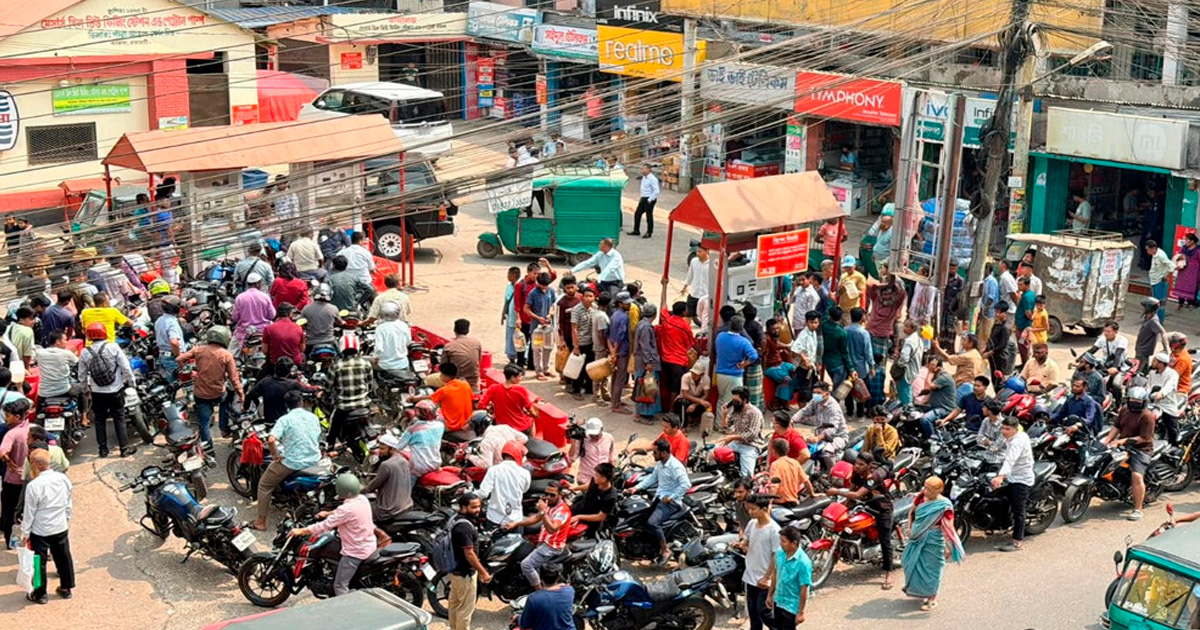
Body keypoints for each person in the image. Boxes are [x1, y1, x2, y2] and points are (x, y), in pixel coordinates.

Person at [288, 474, 380, 596]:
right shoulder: (362, 499)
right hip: (369, 545)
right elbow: (344, 512)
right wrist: (329, 513)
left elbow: (323, 526)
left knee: (340, 585)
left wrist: (301, 531)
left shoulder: (346, 509)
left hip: (355, 552)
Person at [252, 390, 322, 530]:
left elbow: (271, 440)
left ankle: (260, 522)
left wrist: (275, 456)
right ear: (301, 402)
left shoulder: (285, 419)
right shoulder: (312, 416)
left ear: (286, 405)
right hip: (315, 458)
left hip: (293, 462)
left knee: (265, 485)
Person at [827, 452, 895, 589]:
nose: (857, 466)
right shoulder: (856, 473)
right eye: (856, 463)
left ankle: (888, 573)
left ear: (870, 466)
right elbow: (852, 491)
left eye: (861, 464)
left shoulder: (873, 477)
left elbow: (857, 494)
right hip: (866, 505)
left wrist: (837, 491)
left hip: (882, 509)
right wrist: (844, 507)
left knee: (885, 541)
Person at [901, 476, 965, 611]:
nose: (926, 491)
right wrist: (909, 527)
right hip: (917, 537)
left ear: (939, 490)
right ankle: (920, 591)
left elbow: (948, 527)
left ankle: (932, 598)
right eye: (925, 487)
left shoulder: (944, 505)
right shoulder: (921, 497)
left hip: (934, 539)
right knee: (911, 563)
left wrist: (948, 547)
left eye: (929, 489)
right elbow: (912, 512)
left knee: (932, 570)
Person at [21, 449, 75, 605]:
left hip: (40, 530)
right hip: (60, 526)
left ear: (38, 464)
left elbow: (29, 511)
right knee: (63, 556)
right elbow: (68, 502)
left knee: (38, 562)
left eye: (31, 462)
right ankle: (66, 588)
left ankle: (40, 594)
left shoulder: (34, 485)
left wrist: (25, 532)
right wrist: (66, 518)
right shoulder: (63, 479)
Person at [627, 438, 690, 565]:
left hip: (671, 503)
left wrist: (672, 496)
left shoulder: (675, 466)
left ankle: (665, 550)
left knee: (652, 523)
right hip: (659, 498)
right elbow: (651, 479)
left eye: (655, 452)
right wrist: (635, 488)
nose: (653, 455)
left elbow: (686, 484)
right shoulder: (660, 464)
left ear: (664, 453)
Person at [178, 327, 243, 447]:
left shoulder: (198, 350)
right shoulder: (226, 355)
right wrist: (242, 396)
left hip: (200, 394)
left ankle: (208, 450)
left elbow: (179, 359)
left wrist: (190, 372)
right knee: (227, 399)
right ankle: (223, 427)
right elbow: (234, 379)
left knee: (204, 423)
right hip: (218, 393)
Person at [77, 326, 137, 457]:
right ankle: (124, 449)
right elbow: (125, 366)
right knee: (119, 418)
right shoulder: (113, 347)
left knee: (100, 419)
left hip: (97, 391)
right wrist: (132, 382)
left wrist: (85, 389)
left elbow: (81, 374)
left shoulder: (85, 352)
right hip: (116, 389)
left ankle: (103, 450)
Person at [508, 482, 571, 589]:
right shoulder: (549, 506)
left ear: (560, 495)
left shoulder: (562, 511)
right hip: (543, 542)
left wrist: (543, 512)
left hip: (552, 547)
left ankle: (540, 592)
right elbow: (536, 518)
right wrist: (516, 524)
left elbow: (552, 528)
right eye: (546, 494)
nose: (548, 497)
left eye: (552, 495)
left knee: (526, 565)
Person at [448, 494, 491, 630]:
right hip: (465, 574)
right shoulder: (465, 527)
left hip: (455, 572)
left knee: (454, 605)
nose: (477, 509)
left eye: (479, 506)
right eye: (474, 507)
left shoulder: (455, 520)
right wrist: (483, 573)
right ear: (463, 508)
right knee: (465, 611)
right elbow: (469, 554)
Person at [992, 416, 1035, 550]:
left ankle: (1017, 542)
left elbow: (1010, 460)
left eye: (1008, 429)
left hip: (1021, 479)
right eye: (1003, 428)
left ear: (1015, 429)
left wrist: (1000, 477)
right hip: (1011, 475)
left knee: (1019, 510)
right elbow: (998, 447)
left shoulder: (1018, 442)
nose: (1004, 431)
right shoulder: (1013, 436)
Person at [740, 494, 780, 630]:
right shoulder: (752, 524)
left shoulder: (774, 530)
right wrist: (743, 544)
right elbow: (746, 539)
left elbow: (776, 556)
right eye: (748, 509)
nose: (750, 512)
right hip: (750, 576)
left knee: (764, 611)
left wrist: (766, 577)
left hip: (765, 580)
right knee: (753, 613)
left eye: (753, 509)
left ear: (764, 509)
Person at [327, 334, 373, 450]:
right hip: (364, 403)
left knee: (333, 424)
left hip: (344, 406)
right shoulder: (365, 363)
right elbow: (370, 384)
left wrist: (325, 392)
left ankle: (330, 445)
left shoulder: (336, 366)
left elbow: (328, 387)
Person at [793, 381, 848, 472]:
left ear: (826, 394)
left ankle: (832, 474)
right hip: (820, 437)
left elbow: (832, 428)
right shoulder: (815, 401)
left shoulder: (834, 408)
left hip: (837, 437)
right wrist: (792, 420)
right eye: (814, 392)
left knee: (826, 452)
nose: (815, 395)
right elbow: (805, 411)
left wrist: (818, 438)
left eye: (818, 393)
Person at [765, 526, 812, 629]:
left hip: (791, 607)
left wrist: (801, 612)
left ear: (794, 543)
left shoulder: (803, 563)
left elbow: (804, 589)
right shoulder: (780, 553)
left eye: (784, 541)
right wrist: (770, 594)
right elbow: (776, 574)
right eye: (780, 540)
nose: (781, 544)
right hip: (779, 601)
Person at [0, 398, 33, 544]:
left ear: (17, 417)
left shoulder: (11, 434)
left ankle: (10, 540)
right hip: (30, 479)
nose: (6, 418)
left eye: (8, 415)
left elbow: (3, 452)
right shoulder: (33, 429)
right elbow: (50, 442)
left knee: (9, 511)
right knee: (29, 511)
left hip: (12, 480)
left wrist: (8, 460)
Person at [479, 443, 532, 529]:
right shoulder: (525, 473)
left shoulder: (494, 470)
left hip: (495, 519)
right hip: (516, 521)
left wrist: (470, 494)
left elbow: (483, 493)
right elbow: (524, 490)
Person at [715, 316, 759, 415]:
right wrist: (744, 364)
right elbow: (754, 355)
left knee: (721, 399)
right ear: (742, 328)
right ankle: (725, 426)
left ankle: (719, 423)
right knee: (731, 402)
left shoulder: (720, 336)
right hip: (734, 375)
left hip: (720, 374)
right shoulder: (743, 341)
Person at [657, 302, 695, 413]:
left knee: (668, 385)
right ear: (683, 311)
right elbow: (690, 344)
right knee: (676, 387)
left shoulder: (666, 320)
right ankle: (672, 410)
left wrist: (664, 286)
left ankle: (667, 408)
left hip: (665, 359)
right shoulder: (684, 326)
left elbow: (663, 307)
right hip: (679, 361)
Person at [719, 387, 765, 479]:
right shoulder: (736, 410)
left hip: (750, 445)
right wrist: (724, 414)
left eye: (736, 400)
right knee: (714, 454)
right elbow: (725, 426)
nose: (734, 402)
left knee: (746, 477)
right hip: (736, 443)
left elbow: (752, 434)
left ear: (745, 400)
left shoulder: (754, 413)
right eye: (733, 400)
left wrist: (733, 437)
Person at [480, 363, 538, 434]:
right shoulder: (520, 389)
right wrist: (535, 415)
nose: (520, 378)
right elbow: (530, 408)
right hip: (519, 426)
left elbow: (481, 405)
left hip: (500, 425)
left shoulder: (493, 388)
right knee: (531, 420)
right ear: (512, 377)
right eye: (519, 376)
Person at [517, 564, 576, 630]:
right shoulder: (569, 591)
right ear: (558, 577)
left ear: (540, 578)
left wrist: (517, 618)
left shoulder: (534, 599)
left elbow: (525, 625)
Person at [36, 331, 84, 413]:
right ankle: (84, 416)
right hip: (64, 390)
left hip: (44, 392)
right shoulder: (67, 353)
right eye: (65, 340)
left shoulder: (40, 353)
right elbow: (78, 362)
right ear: (57, 342)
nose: (67, 342)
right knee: (83, 388)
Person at [231, 273, 276, 354]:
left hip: (244, 332)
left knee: (231, 353)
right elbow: (272, 315)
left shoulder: (240, 298)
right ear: (257, 284)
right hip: (263, 331)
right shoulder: (265, 297)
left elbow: (234, 317)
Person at [570, 461, 618, 537]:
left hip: (589, 523)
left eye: (596, 475)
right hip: (578, 509)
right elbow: (589, 485)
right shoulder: (596, 480)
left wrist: (579, 517)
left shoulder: (610, 497)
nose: (594, 476)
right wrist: (574, 488)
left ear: (604, 479)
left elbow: (600, 517)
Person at [525, 273, 557, 381]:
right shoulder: (533, 293)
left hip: (548, 325)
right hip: (536, 327)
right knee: (537, 349)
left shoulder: (551, 291)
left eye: (546, 285)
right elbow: (526, 309)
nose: (544, 287)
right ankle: (538, 371)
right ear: (538, 283)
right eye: (542, 285)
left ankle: (546, 368)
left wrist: (550, 314)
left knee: (548, 347)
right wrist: (537, 317)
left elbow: (553, 305)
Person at [632, 303, 662, 420]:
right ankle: (641, 414)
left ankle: (644, 413)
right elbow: (645, 346)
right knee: (645, 388)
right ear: (654, 315)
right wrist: (649, 362)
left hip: (642, 361)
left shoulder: (642, 324)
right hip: (645, 363)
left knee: (644, 387)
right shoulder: (646, 327)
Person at [1147, 352, 1184, 445]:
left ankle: (1175, 445)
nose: (1152, 362)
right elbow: (1149, 385)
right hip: (1153, 402)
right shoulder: (1152, 372)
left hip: (1166, 403)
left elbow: (1169, 386)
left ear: (1161, 363)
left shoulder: (1172, 374)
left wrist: (1161, 393)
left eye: (1155, 361)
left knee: (1171, 426)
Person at [845, 307, 874, 418]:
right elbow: (868, 352)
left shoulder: (845, 330)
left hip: (848, 366)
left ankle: (849, 412)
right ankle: (860, 414)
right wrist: (872, 366)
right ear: (862, 317)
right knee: (861, 389)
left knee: (848, 388)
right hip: (861, 367)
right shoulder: (864, 333)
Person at [569, 417, 614, 487]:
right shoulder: (582, 440)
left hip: (603, 481)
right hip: (586, 480)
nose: (593, 436)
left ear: (601, 429)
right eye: (591, 434)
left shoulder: (609, 438)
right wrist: (574, 441)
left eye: (596, 434)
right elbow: (572, 457)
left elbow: (612, 457)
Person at [762, 318, 795, 410]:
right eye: (774, 329)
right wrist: (763, 371)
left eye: (777, 328)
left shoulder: (773, 337)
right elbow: (764, 356)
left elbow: (776, 344)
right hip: (771, 367)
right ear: (768, 329)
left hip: (780, 363)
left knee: (796, 371)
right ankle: (775, 401)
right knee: (786, 379)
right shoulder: (766, 339)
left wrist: (787, 346)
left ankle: (784, 400)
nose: (776, 330)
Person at [371, 301, 412, 378]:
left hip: (385, 365)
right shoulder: (404, 325)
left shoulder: (380, 328)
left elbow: (379, 348)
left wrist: (375, 358)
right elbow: (408, 342)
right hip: (403, 363)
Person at [919, 358, 957, 438]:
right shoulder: (937, 376)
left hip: (944, 409)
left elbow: (930, 386)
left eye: (930, 366)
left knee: (925, 419)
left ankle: (933, 440)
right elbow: (927, 389)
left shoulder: (944, 377)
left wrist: (930, 372)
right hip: (934, 407)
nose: (928, 368)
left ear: (937, 367)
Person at [789, 310, 821, 404]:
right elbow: (795, 348)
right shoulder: (804, 335)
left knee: (815, 387)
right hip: (803, 368)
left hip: (812, 367)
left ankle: (815, 407)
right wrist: (804, 359)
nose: (814, 325)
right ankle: (802, 413)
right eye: (811, 322)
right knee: (803, 391)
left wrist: (816, 363)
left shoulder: (813, 333)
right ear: (807, 322)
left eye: (816, 322)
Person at [608, 292, 633, 414]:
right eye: (626, 303)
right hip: (621, 351)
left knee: (615, 377)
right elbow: (620, 336)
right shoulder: (624, 317)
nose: (629, 304)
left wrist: (612, 350)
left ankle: (615, 400)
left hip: (614, 349)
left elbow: (608, 334)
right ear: (620, 303)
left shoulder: (614, 315)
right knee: (620, 379)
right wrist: (616, 351)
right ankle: (616, 405)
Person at [768, 439, 812, 505]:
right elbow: (806, 481)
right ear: (788, 450)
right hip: (793, 502)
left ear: (774, 451)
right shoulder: (795, 463)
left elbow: (775, 486)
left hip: (780, 502)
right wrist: (812, 494)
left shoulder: (776, 464)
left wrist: (768, 503)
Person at [262, 303, 305, 368]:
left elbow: (265, 351)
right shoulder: (298, 328)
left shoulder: (269, 328)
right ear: (290, 314)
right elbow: (302, 349)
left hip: (275, 363)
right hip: (295, 363)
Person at [153, 296, 187, 377]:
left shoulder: (159, 320)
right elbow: (174, 342)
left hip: (163, 356)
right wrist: (179, 358)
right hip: (172, 358)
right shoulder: (172, 322)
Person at [1134, 298, 1168, 372]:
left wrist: (1166, 347)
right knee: (1144, 371)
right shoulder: (1148, 318)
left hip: (1143, 351)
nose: (1142, 308)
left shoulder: (1153, 321)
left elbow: (1163, 332)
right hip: (1141, 349)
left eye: (1144, 307)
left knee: (1136, 372)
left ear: (1148, 308)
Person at [677, 357, 712, 426]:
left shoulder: (706, 379)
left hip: (697, 399)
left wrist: (695, 404)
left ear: (701, 374)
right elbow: (685, 394)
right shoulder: (686, 377)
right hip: (684, 399)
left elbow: (705, 394)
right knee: (684, 403)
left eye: (696, 374)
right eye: (693, 373)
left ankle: (694, 419)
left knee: (706, 404)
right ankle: (682, 426)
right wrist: (700, 401)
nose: (694, 375)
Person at [896, 320, 924, 405]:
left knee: (904, 392)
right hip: (915, 370)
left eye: (906, 326)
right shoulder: (919, 340)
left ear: (912, 328)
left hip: (907, 371)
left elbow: (904, 358)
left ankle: (907, 410)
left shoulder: (909, 341)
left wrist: (899, 364)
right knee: (908, 390)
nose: (904, 328)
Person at [983, 303, 1015, 377]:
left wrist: (990, 352)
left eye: (999, 312)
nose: (996, 314)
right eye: (996, 312)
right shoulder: (997, 323)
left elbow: (1002, 345)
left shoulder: (1006, 327)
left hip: (1000, 357)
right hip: (993, 355)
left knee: (998, 378)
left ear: (1005, 313)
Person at [628, 164, 660, 238]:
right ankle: (636, 230)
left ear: (649, 170)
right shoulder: (644, 178)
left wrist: (650, 199)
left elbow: (656, 191)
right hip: (643, 198)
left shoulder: (652, 179)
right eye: (642, 169)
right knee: (637, 214)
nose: (642, 171)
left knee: (649, 216)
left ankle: (649, 232)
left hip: (649, 198)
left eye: (644, 169)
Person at [683, 245, 711, 327]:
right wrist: (685, 286)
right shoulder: (694, 261)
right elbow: (690, 275)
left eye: (700, 251)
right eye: (697, 251)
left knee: (704, 316)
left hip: (705, 295)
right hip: (694, 293)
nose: (697, 254)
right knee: (688, 314)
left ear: (707, 251)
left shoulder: (712, 263)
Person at [1171, 232, 1200, 308]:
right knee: (1181, 286)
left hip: (1194, 273)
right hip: (1184, 270)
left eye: (1186, 240)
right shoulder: (1184, 248)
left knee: (1192, 287)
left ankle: (1191, 303)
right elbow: (1180, 256)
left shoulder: (1198, 250)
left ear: (1192, 241)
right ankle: (1181, 302)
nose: (1185, 241)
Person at [1146, 240, 1173, 321]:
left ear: (1153, 248)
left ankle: (1159, 320)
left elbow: (1171, 266)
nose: (1147, 251)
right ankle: (1153, 318)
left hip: (1159, 282)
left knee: (1159, 302)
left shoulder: (1161, 256)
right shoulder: (1155, 255)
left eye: (1148, 249)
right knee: (1153, 301)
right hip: (1154, 281)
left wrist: (1167, 276)